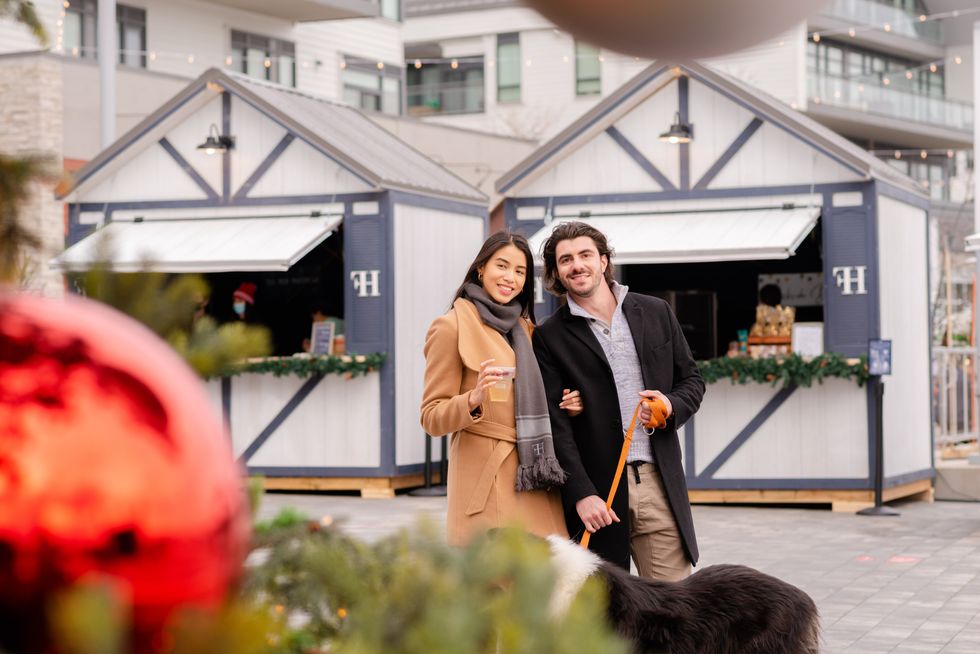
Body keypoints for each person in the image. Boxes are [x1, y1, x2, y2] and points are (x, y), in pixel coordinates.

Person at [532, 221, 705, 581]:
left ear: (604, 261)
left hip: (659, 482)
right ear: (557, 273)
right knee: (603, 618)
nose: (576, 265)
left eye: (585, 255)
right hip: (600, 494)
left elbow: (692, 381)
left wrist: (670, 405)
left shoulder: (655, 311)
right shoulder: (550, 335)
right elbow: (555, 422)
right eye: (565, 260)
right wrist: (580, 493)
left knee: (673, 612)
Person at [420, 232, 581, 545]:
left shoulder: (525, 328)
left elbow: (539, 395)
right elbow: (431, 417)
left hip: (534, 472)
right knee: (497, 583)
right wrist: (473, 399)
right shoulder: (450, 326)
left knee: (545, 579)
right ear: (481, 268)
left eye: (520, 271)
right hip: (486, 477)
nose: (511, 278)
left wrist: (569, 403)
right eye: (502, 266)